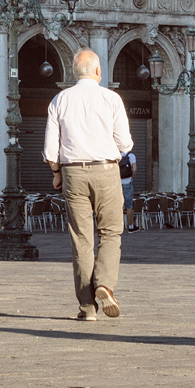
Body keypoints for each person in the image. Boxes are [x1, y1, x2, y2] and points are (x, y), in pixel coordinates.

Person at [43, 48, 133, 321]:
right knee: (111, 232)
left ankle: (87, 309)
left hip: (73, 174)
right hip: (106, 171)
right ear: (98, 72)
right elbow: (125, 144)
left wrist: (57, 172)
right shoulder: (111, 98)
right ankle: (104, 284)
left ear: (74, 73)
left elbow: (50, 150)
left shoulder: (60, 100)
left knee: (81, 239)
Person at [119, 149, 139, 231]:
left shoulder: (116, 155)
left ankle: (118, 227)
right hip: (127, 183)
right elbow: (134, 169)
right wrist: (131, 176)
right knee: (129, 206)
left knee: (117, 207)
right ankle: (130, 226)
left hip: (117, 184)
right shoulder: (131, 156)